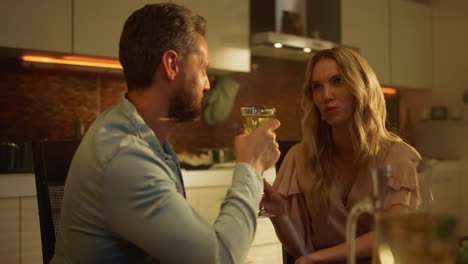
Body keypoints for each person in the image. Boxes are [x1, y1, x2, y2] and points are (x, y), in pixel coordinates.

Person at [50, 3, 280, 264]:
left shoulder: (132, 132)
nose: (207, 84)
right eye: (203, 68)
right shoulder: (125, 158)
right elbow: (220, 259)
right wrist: (250, 166)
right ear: (171, 64)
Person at [262, 47, 421, 264]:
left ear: (362, 87)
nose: (326, 95)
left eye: (338, 81)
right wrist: (279, 214)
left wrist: (318, 258)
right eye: (317, 87)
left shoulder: (398, 157)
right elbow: (300, 249)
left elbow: (394, 233)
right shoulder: (299, 157)